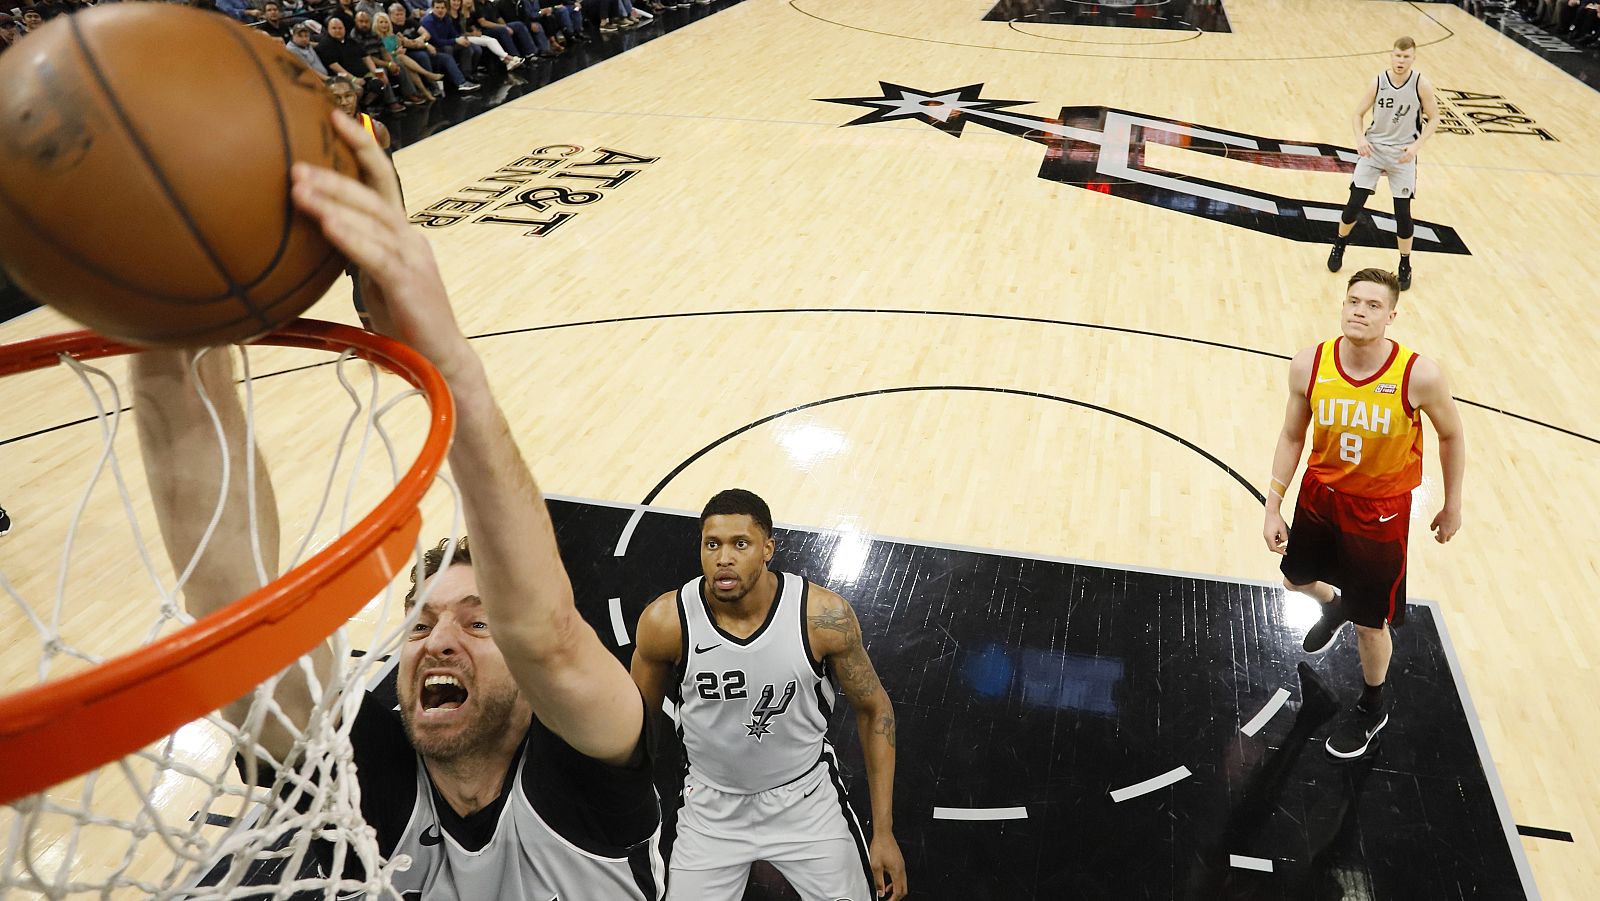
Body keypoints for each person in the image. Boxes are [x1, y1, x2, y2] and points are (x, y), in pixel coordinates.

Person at [131, 109, 663, 899]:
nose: (436, 640)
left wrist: (439, 352)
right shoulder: (372, 780)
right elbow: (244, 623)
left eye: (477, 623)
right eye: (420, 623)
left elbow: (547, 638)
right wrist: (167, 322)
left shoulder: (590, 765)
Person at [631, 490, 908, 901]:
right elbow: (637, 725)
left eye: (740, 544)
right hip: (710, 808)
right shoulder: (666, 622)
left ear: (767, 549)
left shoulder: (821, 616)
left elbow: (875, 710)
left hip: (806, 801)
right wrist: (627, 809)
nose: (724, 558)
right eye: (712, 544)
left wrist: (883, 832)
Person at [1263, 267, 1466, 760]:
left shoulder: (1418, 375)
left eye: (1373, 305)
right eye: (1353, 301)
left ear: (1391, 316)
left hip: (1379, 513)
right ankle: (1334, 604)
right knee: (1293, 579)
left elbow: (1451, 435)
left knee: (1370, 623)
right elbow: (1291, 435)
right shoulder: (1310, 363)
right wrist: (1274, 505)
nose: (1360, 311)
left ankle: (1373, 706)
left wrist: (1452, 503)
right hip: (1320, 496)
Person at [1324, 36, 1440, 292]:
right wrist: (1360, 138)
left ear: (1413, 58)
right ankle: (1340, 243)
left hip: (1402, 155)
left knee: (1402, 213)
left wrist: (1416, 146)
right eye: (1397, 55)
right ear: (1391, 55)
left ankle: (1405, 263)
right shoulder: (1379, 81)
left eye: (1406, 57)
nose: (1401, 61)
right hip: (1374, 150)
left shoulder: (1421, 84)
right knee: (1354, 204)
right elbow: (1357, 114)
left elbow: (1434, 118)